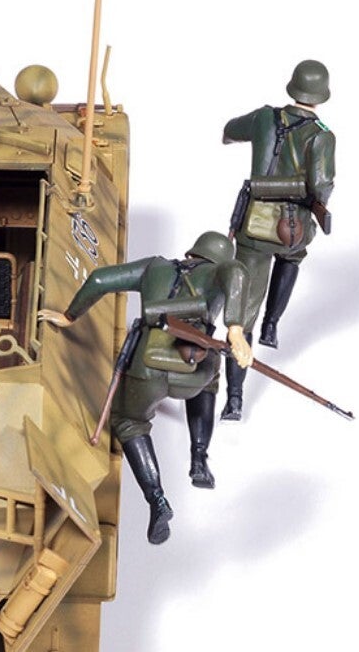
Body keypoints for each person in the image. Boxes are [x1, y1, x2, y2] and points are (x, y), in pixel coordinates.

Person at [40, 232, 253, 545]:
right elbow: (236, 271)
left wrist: (69, 316)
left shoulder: (155, 267)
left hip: (147, 368)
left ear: (191, 253)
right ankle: (198, 458)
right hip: (192, 371)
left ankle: (157, 500)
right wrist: (235, 329)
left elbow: (99, 279)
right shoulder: (222, 272)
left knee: (129, 422)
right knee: (211, 377)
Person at [221, 59, 335, 420]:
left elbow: (230, 129)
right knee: (294, 254)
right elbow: (322, 184)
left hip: (255, 228)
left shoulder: (264, 118)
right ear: (321, 95)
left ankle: (234, 399)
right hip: (292, 229)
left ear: (293, 87)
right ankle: (273, 324)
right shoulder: (322, 135)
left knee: (243, 315)